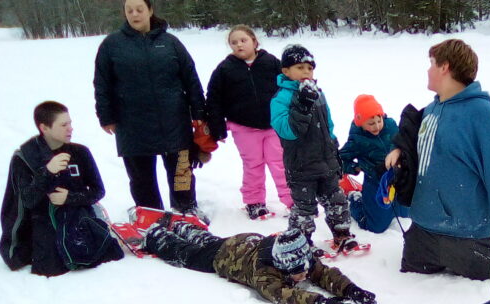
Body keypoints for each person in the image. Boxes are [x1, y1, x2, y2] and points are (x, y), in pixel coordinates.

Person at [384, 39, 490, 280]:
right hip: (421, 236)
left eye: (432, 64)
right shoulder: (432, 109)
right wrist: (399, 150)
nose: (428, 70)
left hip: (467, 241)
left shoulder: (482, 115)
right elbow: (412, 135)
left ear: (445, 67)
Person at [93, 0, 209, 223]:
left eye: (139, 9)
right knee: (140, 176)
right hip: (132, 122)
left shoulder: (170, 42)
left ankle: (186, 209)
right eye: (129, 10)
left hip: (174, 118)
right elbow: (102, 83)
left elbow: (191, 78)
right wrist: (106, 115)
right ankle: (150, 215)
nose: (134, 14)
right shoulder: (111, 45)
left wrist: (199, 111)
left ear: (150, 11)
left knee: (181, 170)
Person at [141, 222, 377, 304]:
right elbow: (286, 296)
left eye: (305, 268)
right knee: (188, 254)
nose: (305, 274)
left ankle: (185, 227)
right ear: (283, 266)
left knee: (210, 240)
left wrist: (352, 290)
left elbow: (325, 274)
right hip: (224, 257)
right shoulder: (265, 275)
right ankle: (157, 236)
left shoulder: (299, 260)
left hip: (244, 241)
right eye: (299, 273)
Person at [0, 101, 123, 277]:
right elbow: (26, 201)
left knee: (104, 251)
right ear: (44, 128)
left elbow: (98, 191)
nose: (70, 128)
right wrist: (48, 172)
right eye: (64, 125)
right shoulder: (24, 158)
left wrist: (70, 197)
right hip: (43, 219)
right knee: (52, 264)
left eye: (70, 123)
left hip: (78, 215)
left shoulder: (80, 152)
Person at [270, 44, 357, 254]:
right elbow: (288, 131)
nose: (306, 72)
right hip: (301, 166)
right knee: (304, 208)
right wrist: (302, 104)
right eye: (300, 67)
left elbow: (329, 126)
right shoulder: (280, 99)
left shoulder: (318, 93)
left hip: (325, 162)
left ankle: (342, 234)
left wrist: (334, 152)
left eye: (310, 68)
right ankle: (301, 242)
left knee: (337, 200)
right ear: (286, 71)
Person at [205, 25, 292, 220]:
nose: (239, 45)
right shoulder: (224, 69)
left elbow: (288, 85)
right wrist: (217, 126)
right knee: (253, 165)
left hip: (273, 126)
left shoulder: (271, 63)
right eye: (234, 43)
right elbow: (213, 98)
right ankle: (254, 203)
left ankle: (292, 201)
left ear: (254, 41)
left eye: (243, 40)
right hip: (243, 127)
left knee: (280, 164)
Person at [339, 94, 410, 233]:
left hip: (398, 179)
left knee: (405, 216)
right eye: (371, 123)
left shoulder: (391, 125)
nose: (377, 126)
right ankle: (355, 199)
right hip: (375, 182)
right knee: (376, 227)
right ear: (360, 123)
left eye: (379, 120)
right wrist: (358, 167)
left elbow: (403, 143)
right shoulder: (357, 139)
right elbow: (339, 160)